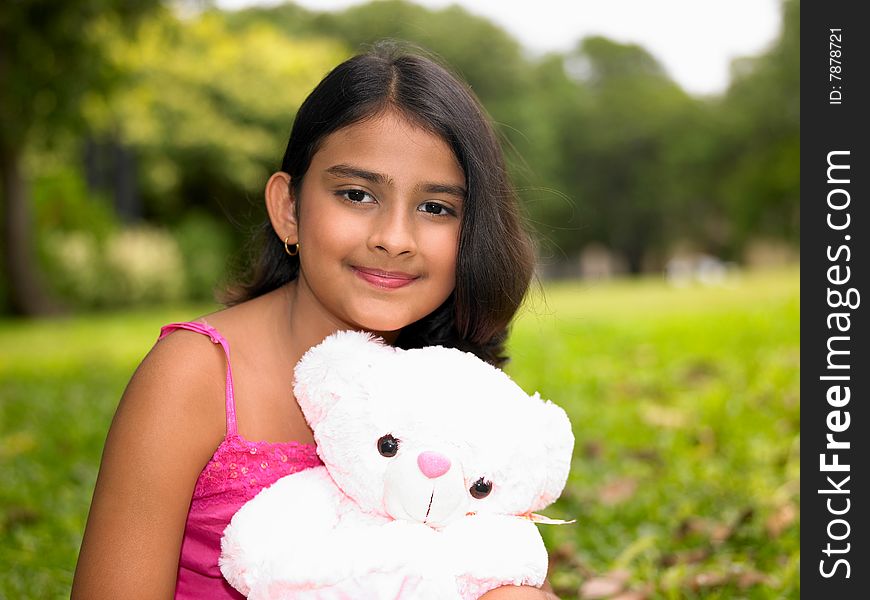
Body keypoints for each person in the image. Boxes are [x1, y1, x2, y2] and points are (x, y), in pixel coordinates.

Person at [72, 42, 557, 599]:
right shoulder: (195, 374)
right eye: (357, 194)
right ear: (290, 208)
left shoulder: (449, 389)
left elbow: (499, 569)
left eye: (435, 208)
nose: (393, 239)